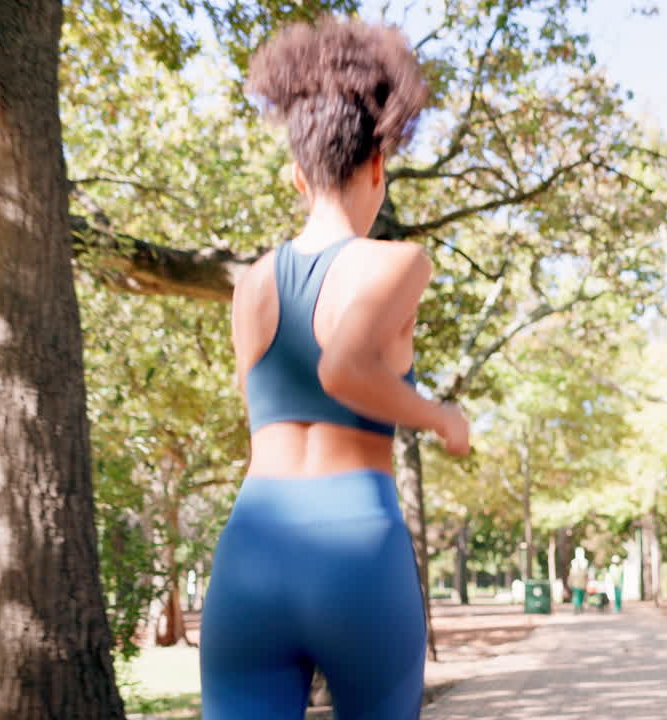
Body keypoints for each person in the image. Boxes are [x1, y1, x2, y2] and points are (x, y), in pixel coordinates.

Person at [199, 17, 470, 720]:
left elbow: (260, 399)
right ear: (376, 165)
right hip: (355, 545)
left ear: (297, 174)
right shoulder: (398, 263)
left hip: (252, 548)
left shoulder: (252, 284)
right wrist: (442, 417)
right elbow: (343, 369)